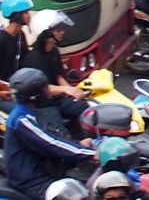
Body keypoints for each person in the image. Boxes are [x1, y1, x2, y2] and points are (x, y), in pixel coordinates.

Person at [3, 67, 97, 200]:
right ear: (37, 94)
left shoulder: (29, 114)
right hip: (32, 181)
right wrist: (91, 154)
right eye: (44, 88)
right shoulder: (22, 120)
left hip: (40, 172)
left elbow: (51, 138)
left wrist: (79, 144)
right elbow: (51, 144)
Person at [21, 8, 88, 130]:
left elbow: (57, 76)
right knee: (58, 134)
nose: (62, 32)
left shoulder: (54, 51)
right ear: (46, 33)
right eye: (58, 29)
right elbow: (42, 88)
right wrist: (66, 90)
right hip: (44, 106)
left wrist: (72, 90)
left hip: (59, 100)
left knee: (90, 112)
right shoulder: (33, 59)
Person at [0, 0, 34, 107]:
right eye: (25, 12)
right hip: (4, 93)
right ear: (16, 15)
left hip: (19, 88)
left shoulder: (21, 35)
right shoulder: (2, 39)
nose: (29, 15)